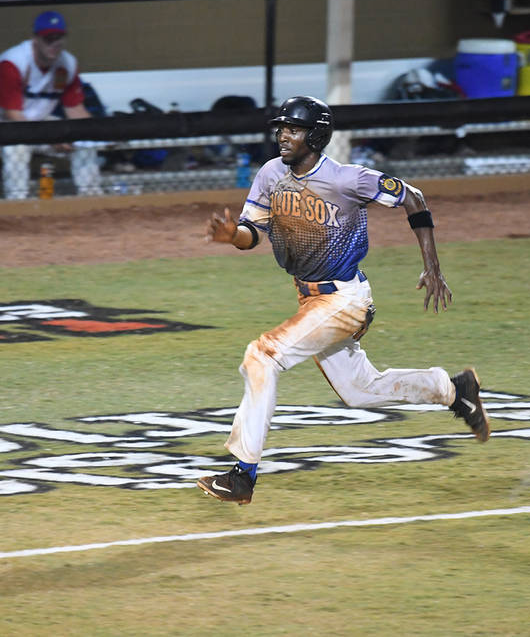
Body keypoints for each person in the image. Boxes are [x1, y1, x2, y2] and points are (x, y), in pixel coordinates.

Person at [197, 95, 490, 506]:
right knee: (360, 391)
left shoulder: (347, 179)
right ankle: (453, 388)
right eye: (280, 128)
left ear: (315, 136)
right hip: (311, 301)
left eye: (292, 129)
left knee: (261, 356)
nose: (283, 135)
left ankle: (243, 475)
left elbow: (414, 198)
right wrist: (233, 237)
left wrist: (433, 266)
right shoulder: (269, 175)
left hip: (345, 299)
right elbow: (253, 234)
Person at [0, 10, 92, 199]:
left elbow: (75, 109)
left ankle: (92, 198)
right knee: (17, 147)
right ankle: (18, 206)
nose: (54, 43)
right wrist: (52, 136)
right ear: (35, 38)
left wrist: (97, 134)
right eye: (48, 38)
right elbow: (13, 115)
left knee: (85, 143)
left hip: (36, 122)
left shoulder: (67, 64)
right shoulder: (12, 62)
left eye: (59, 38)